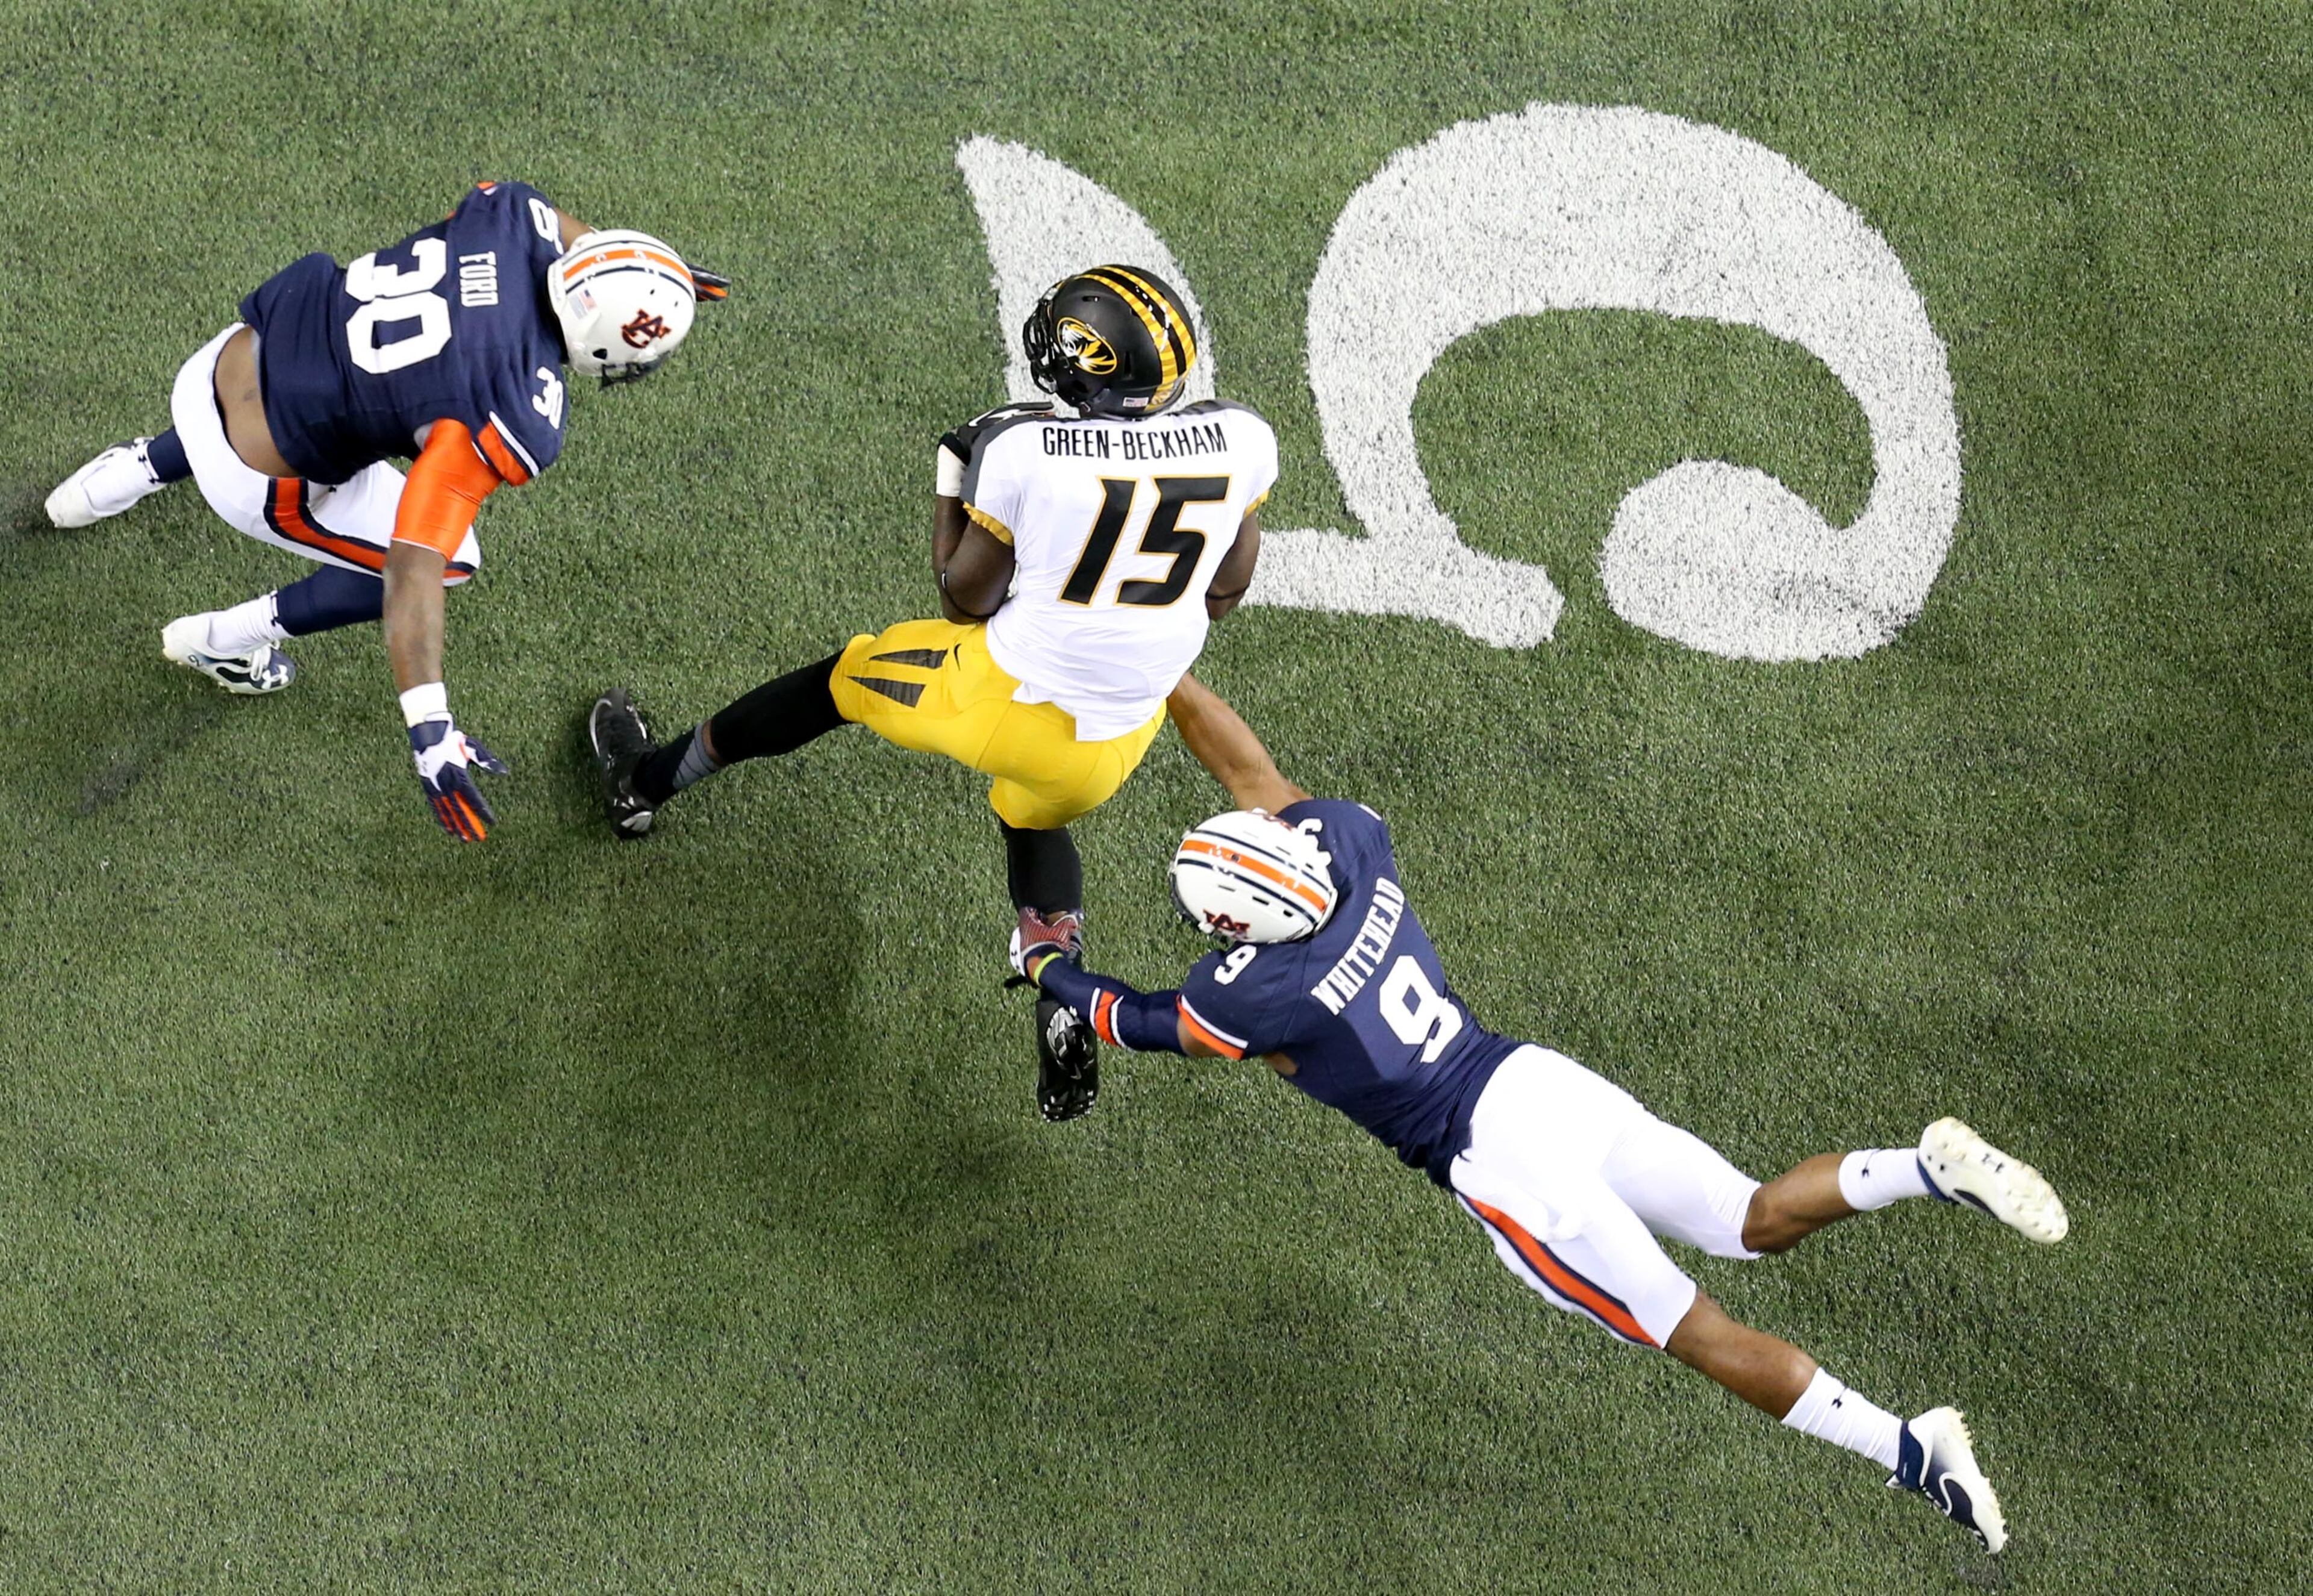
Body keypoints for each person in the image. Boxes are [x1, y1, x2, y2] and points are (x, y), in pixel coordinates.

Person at [1007, 674, 2068, 1554]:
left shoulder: (1253, 994)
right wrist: (1163, 676)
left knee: (1698, 1332)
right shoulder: (1344, 849)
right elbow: (1251, 768)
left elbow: (1144, 1020)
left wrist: (1053, 968)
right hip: (1534, 1081)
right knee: (1747, 1218)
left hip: (1500, 1163)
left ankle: (1910, 1448)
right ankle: (1919, 1169)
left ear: (1242, 924)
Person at [590, 267, 1273, 1122]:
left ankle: (641, 784)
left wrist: (954, 477)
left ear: (1087, 365)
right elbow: (1222, 594)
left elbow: (963, 597)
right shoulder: (1241, 439)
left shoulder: (1026, 448)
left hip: (998, 698)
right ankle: (1060, 992)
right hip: (1121, 737)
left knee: (842, 678)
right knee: (1034, 812)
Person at [45, 181, 726, 840]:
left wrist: (636, 266)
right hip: (253, 472)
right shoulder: (515, 406)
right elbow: (413, 563)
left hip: (225, 356)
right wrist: (430, 730)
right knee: (456, 560)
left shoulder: (513, 218)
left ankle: (129, 471)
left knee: (331, 383)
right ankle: (224, 642)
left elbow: (563, 237)